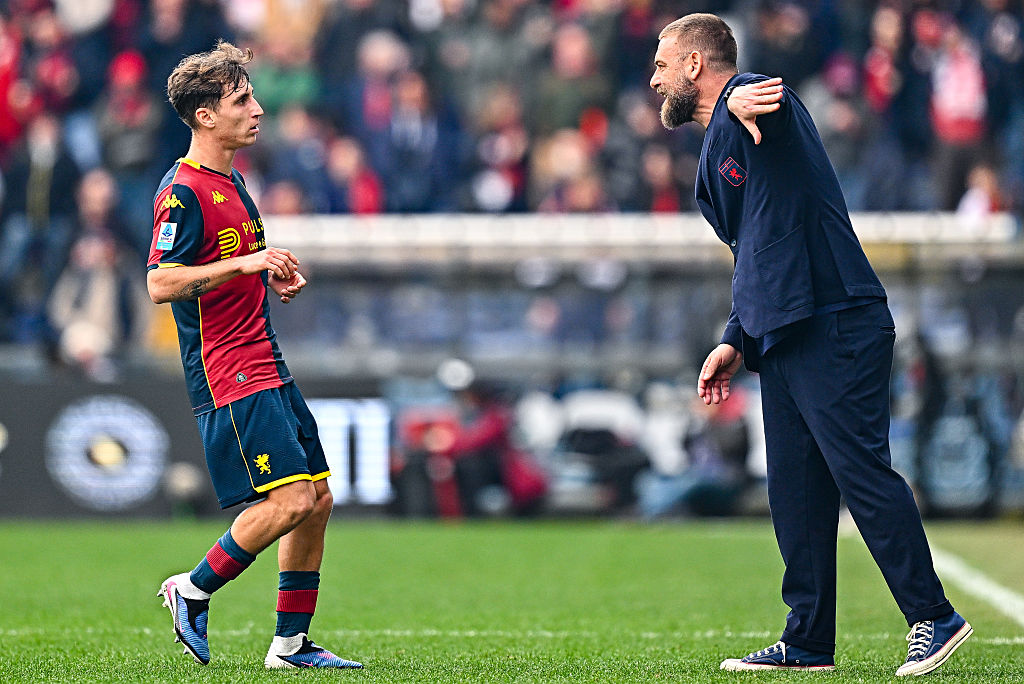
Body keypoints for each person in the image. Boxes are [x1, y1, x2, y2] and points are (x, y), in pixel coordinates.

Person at [649, 13, 972, 677]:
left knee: (860, 472)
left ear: (694, 65)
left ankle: (934, 615)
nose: (653, 79)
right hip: (784, 332)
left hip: (835, 320)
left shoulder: (759, 104)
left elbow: (769, 100)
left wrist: (736, 96)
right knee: (794, 494)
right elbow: (756, 250)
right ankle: (807, 640)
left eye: (662, 63)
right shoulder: (713, 149)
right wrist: (735, 339)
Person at [146, 41, 361, 670]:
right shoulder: (183, 192)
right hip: (228, 367)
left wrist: (269, 272)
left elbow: (228, 263)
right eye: (242, 100)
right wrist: (246, 263)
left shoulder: (232, 180)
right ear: (205, 116)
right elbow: (161, 282)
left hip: (263, 356)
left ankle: (290, 645)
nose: (258, 109)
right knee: (289, 501)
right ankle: (192, 589)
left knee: (317, 499)